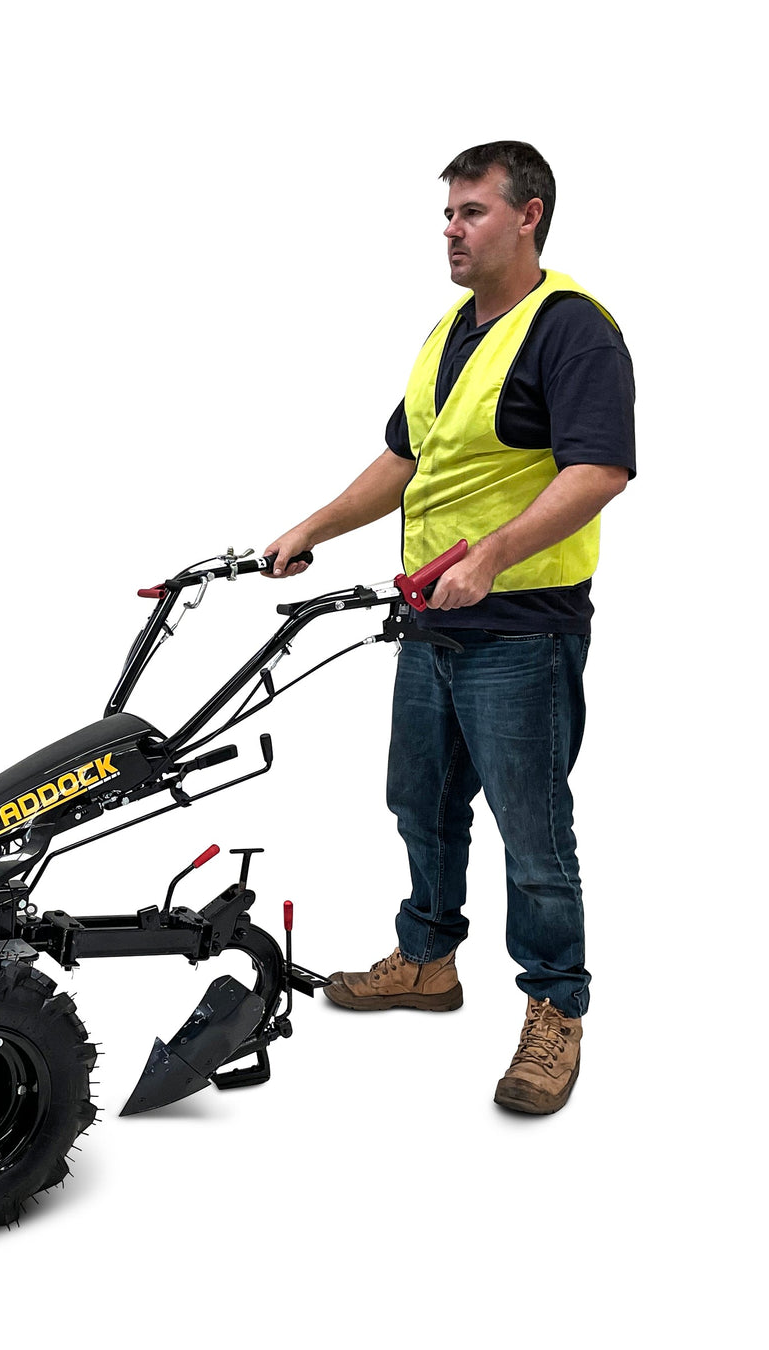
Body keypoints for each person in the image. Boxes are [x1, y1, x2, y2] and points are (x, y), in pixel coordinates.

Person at [263, 141, 634, 1114]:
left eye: (471, 212)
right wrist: (312, 526)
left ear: (530, 215)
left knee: (533, 834)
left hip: (520, 633)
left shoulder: (571, 332)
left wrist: (494, 556)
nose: (452, 231)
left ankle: (556, 1011)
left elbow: (598, 470)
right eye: (448, 214)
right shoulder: (447, 334)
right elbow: (404, 458)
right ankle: (428, 960)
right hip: (429, 623)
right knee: (417, 799)